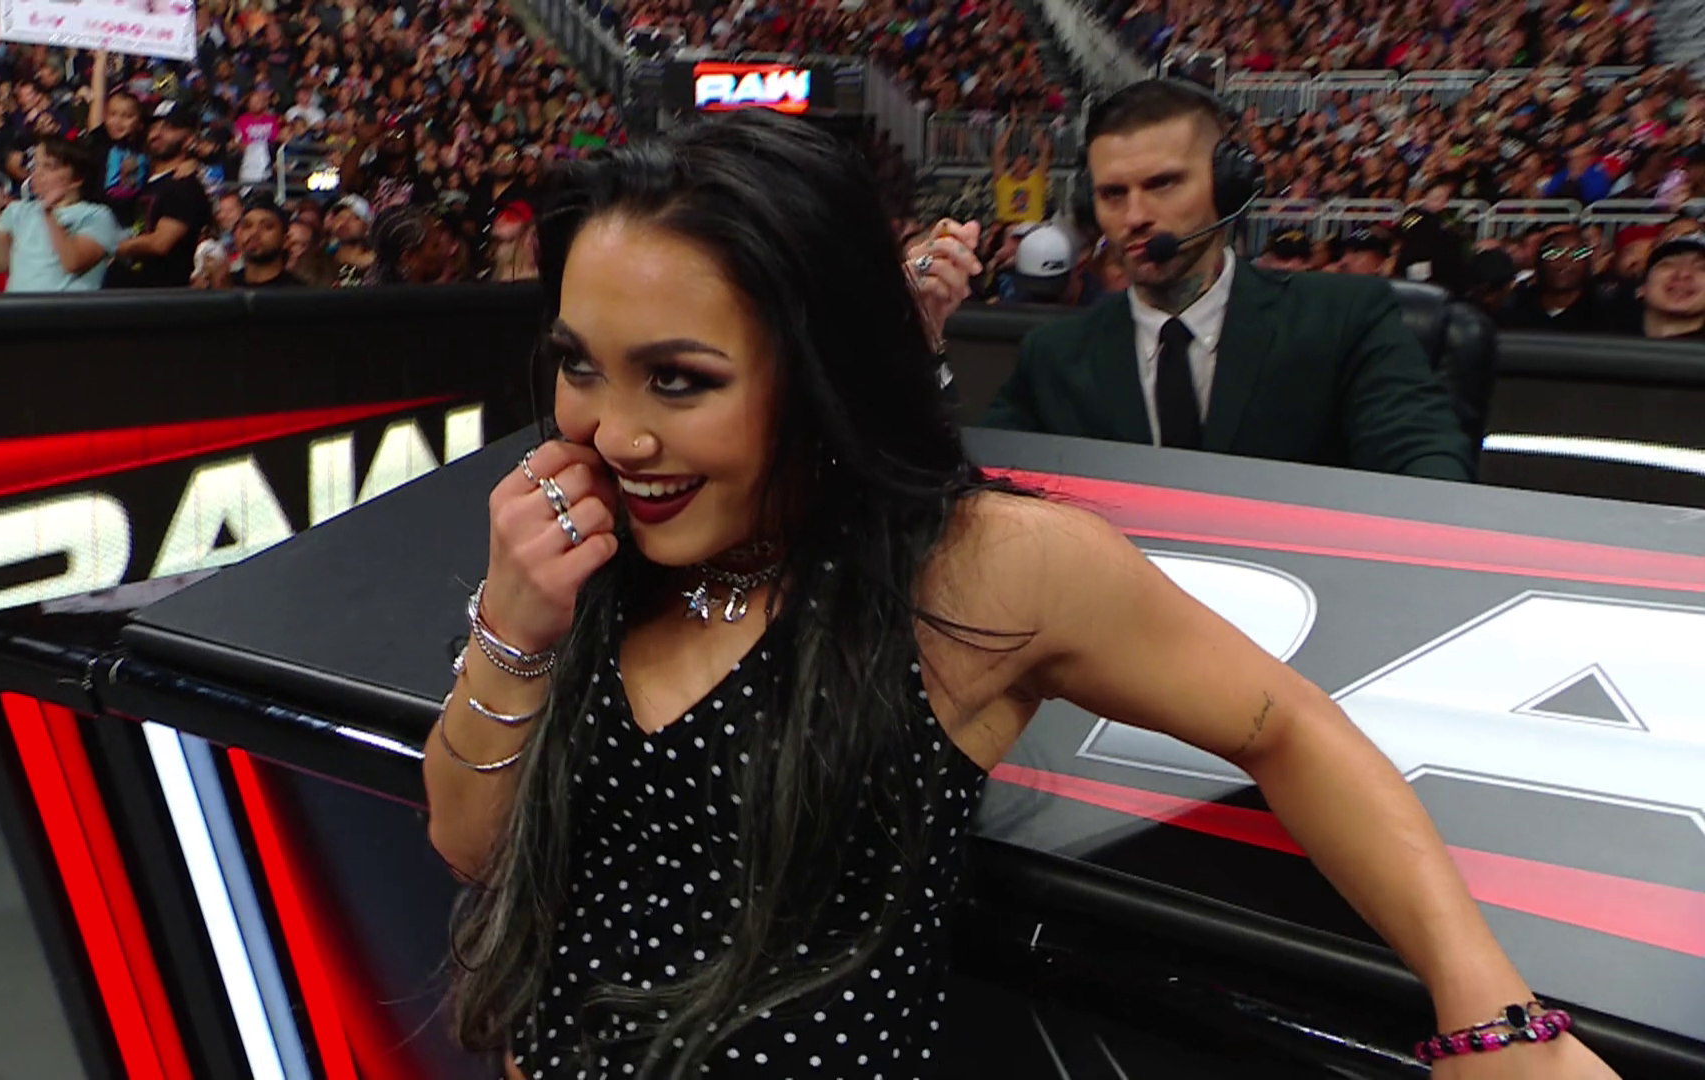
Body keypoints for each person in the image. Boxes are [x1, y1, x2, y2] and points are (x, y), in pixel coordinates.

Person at [427, 110, 1618, 1080]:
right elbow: (471, 845)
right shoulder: (580, 543)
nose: (615, 432)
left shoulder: (979, 569)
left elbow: (1288, 726)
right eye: (581, 364)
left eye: (680, 381)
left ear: (824, 361)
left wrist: (1488, 1011)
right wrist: (515, 628)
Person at [955, 80, 1472, 481]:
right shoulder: (1054, 356)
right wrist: (925, 339)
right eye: (1113, 194)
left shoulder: (1344, 319)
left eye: (1163, 184)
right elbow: (970, 489)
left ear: (1227, 188)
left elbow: (1429, 469)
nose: (1134, 217)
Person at [0, 136, 124, 292]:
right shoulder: (18, 210)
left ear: (77, 178)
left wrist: (49, 214)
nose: (37, 173)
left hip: (64, 306)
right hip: (17, 307)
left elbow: (73, 262)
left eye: (49, 166)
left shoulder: (97, 216)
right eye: (35, 166)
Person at [109, 98, 212, 289]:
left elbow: (160, 243)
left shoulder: (184, 185)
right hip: (130, 291)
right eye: (154, 126)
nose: (157, 133)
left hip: (159, 296)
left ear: (190, 138)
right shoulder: (146, 179)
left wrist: (110, 247)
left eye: (169, 128)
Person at [1500, 223, 1610, 333]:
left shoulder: (1604, 312)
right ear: (1538, 261)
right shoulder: (1514, 306)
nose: (1563, 263)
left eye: (1577, 254)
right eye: (1553, 254)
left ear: (1589, 263)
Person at [85, 47, 148, 227]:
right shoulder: (101, 139)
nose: (118, 121)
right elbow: (98, 98)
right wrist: (100, 60)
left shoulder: (145, 146)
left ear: (139, 122)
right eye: (113, 114)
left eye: (127, 116)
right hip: (95, 220)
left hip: (127, 224)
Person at [1636, 232, 1705, 340]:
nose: (1683, 273)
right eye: (1667, 264)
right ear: (1642, 288)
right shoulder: (1608, 335)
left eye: (1701, 267)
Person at [228, 194, 301, 287]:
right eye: (247, 226)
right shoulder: (225, 284)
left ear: (285, 241)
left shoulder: (299, 292)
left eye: (267, 226)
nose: (254, 232)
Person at [991, 121, 1052, 226]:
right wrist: (1011, 126)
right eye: (1021, 160)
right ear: (1014, 164)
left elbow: (1046, 151)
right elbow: (997, 152)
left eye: (1026, 161)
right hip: (1007, 226)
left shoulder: (1036, 180)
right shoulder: (1003, 181)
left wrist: (1037, 135)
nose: (1023, 163)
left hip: (1031, 227)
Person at [324, 193, 376, 286]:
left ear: (367, 226)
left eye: (355, 218)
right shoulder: (323, 257)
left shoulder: (379, 261)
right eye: (340, 217)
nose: (344, 223)